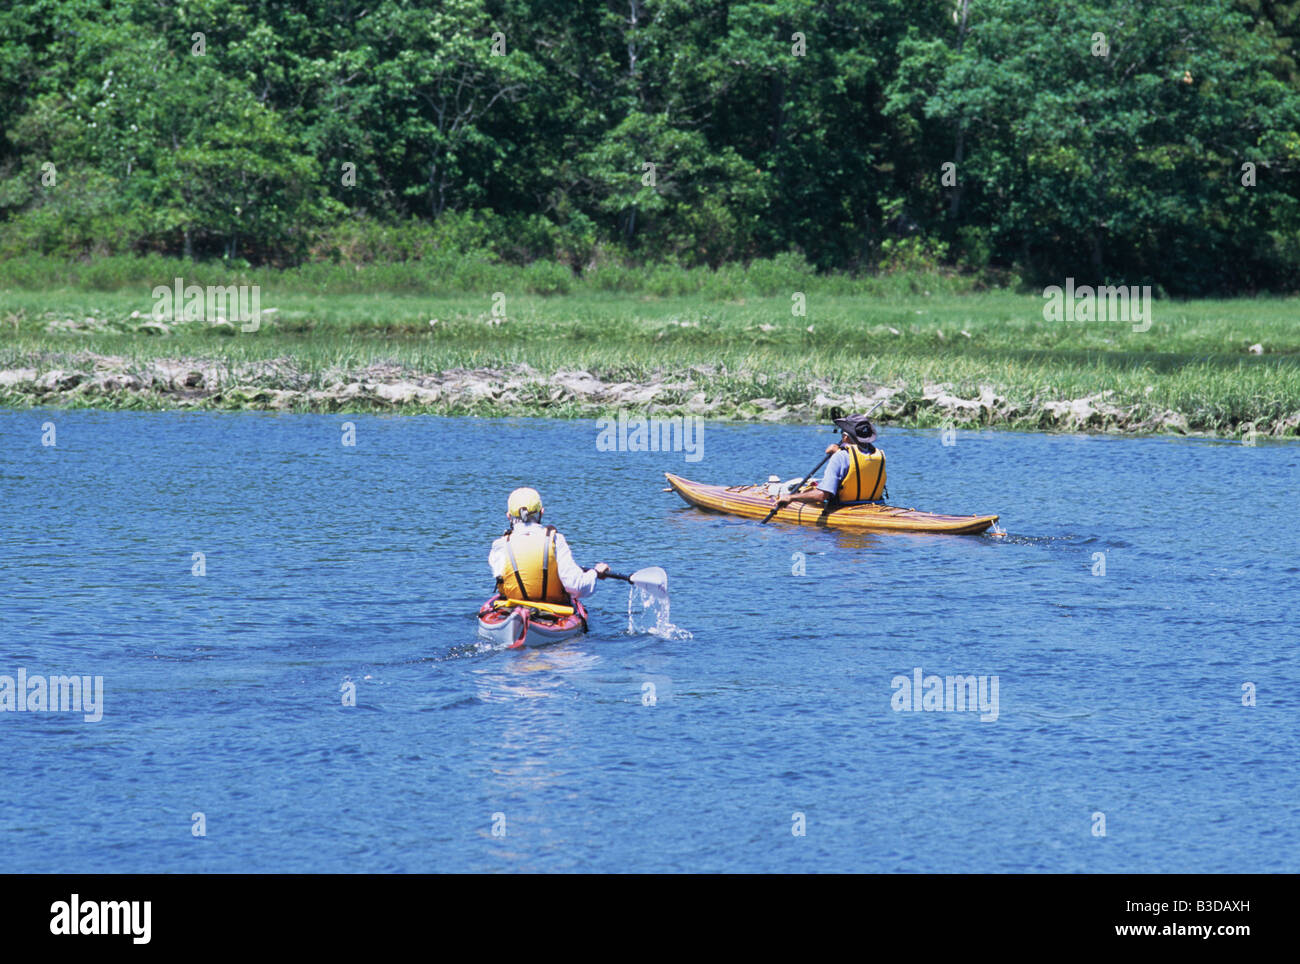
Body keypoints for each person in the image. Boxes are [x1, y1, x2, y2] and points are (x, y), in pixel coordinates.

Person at [489, 487, 609, 605]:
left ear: (509, 516)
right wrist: (595, 573)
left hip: (511, 609)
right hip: (553, 610)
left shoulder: (499, 545)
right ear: (541, 512)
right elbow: (577, 587)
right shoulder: (556, 540)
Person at [774, 413, 887, 510]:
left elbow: (822, 496)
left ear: (846, 438)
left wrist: (791, 497)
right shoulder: (877, 455)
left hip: (844, 508)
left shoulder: (841, 457)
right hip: (875, 506)